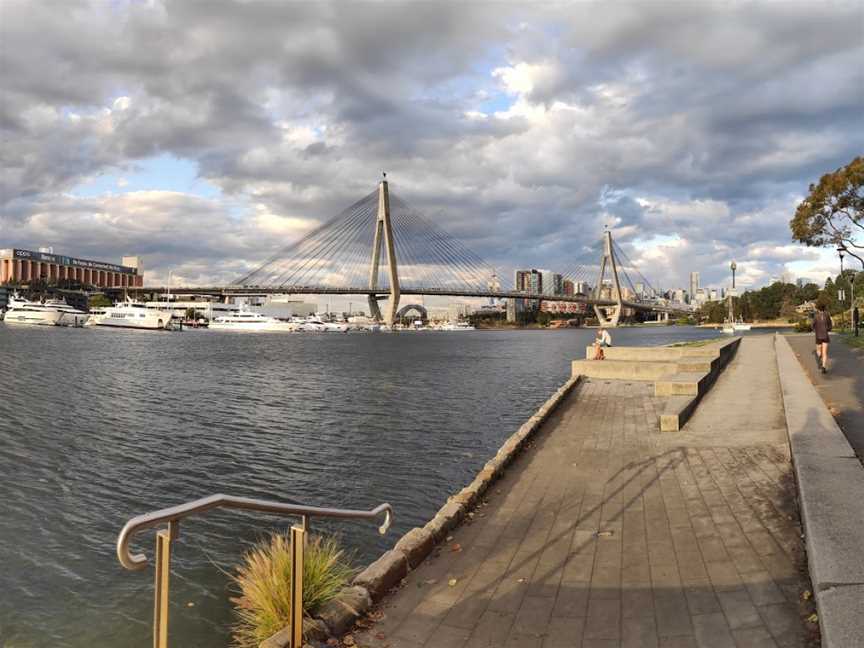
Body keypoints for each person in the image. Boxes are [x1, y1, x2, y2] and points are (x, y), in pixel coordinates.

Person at [813, 301, 832, 373]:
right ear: (824, 308)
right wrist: (828, 329)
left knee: (818, 350)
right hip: (825, 336)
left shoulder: (816, 316)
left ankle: (820, 359)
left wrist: (815, 330)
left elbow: (812, 325)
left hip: (818, 336)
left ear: (818, 309)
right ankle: (823, 367)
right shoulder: (827, 315)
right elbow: (830, 325)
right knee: (825, 352)